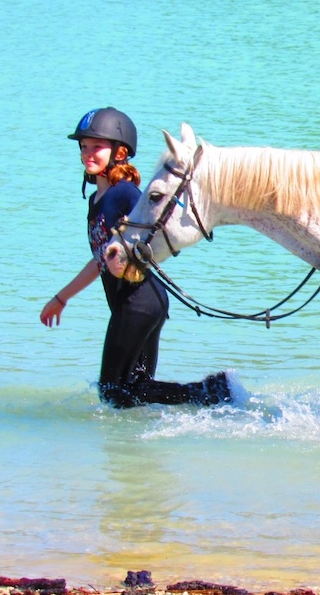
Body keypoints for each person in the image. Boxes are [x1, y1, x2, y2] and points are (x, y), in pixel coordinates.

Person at [40, 107, 234, 408]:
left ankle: (213, 393)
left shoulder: (126, 194)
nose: (87, 153)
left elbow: (154, 229)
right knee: (135, 391)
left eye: (97, 147)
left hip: (138, 303)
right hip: (143, 304)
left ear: (120, 153)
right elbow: (100, 261)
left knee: (112, 392)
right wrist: (62, 298)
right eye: (83, 147)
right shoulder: (97, 200)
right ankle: (215, 394)